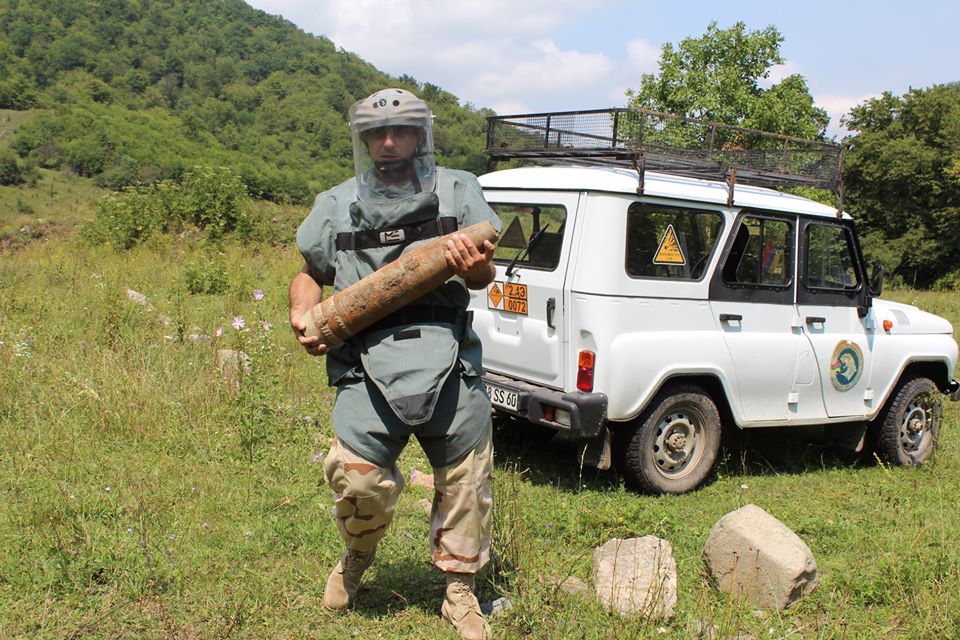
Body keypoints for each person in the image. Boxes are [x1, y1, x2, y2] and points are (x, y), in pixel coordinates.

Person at [288, 88, 500, 640]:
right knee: (355, 481)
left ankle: (460, 591)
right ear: (362, 141)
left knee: (465, 476)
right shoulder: (335, 204)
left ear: (420, 136)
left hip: (447, 351)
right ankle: (357, 555)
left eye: (400, 131)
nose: (387, 142)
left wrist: (473, 268)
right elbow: (311, 271)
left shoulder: (459, 190)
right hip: (363, 356)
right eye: (376, 135)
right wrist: (303, 306)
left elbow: (483, 276)